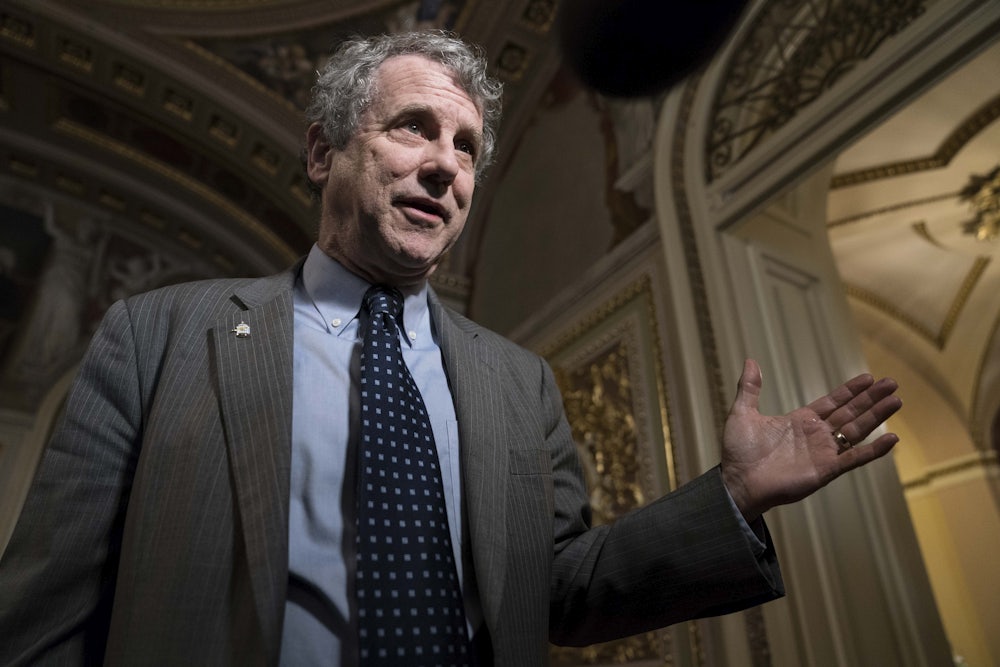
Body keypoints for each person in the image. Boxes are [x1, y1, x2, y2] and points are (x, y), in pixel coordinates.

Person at [0, 31, 901, 667]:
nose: (447, 165)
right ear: (323, 153)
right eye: (413, 129)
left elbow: (560, 590)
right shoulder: (159, 336)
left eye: (467, 147)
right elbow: (43, 615)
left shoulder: (518, 382)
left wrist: (733, 498)